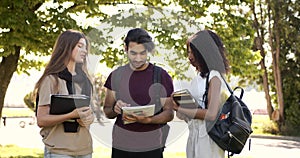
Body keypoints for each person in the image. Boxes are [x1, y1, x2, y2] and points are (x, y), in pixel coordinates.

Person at [103, 28, 174, 158]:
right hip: (121, 146)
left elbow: (169, 113)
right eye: (133, 53)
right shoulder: (116, 75)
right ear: (125, 48)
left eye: (143, 53)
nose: (138, 58)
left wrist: (149, 120)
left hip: (152, 146)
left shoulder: (160, 76)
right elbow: (107, 111)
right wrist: (115, 108)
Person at [34, 29, 94, 158]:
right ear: (66, 47)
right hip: (59, 151)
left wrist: (88, 119)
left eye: (85, 47)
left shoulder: (85, 81)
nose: (85, 51)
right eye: (80, 46)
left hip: (85, 150)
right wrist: (71, 115)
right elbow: (41, 119)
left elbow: (89, 114)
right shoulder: (51, 80)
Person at [172, 30, 230, 158]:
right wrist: (181, 109)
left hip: (209, 141)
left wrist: (180, 108)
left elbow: (211, 114)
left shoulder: (214, 77)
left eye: (194, 52)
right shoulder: (198, 78)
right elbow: (192, 113)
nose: (190, 57)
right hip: (195, 136)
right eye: (189, 52)